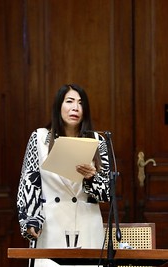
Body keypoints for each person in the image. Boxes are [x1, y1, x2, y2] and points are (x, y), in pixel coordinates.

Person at [17, 84, 111, 267]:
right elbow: (28, 184)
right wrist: (30, 220)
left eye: (80, 103)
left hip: (88, 225)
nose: (75, 107)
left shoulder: (98, 141)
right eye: (69, 101)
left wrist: (92, 178)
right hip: (52, 225)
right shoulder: (39, 138)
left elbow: (107, 193)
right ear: (59, 106)